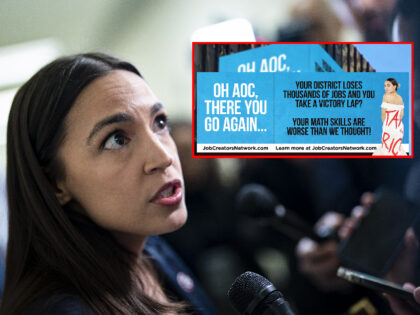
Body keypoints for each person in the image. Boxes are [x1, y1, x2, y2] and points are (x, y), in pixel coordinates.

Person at [0, 53, 216, 315]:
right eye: (116, 139)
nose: (165, 156)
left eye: (159, 122)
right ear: (54, 183)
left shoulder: (151, 249)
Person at [373, 78, 406, 156]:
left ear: (394, 86)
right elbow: (401, 115)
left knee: (386, 150)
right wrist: (396, 123)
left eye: (388, 85)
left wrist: (386, 125)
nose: (385, 88)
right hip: (399, 127)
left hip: (388, 126)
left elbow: (383, 114)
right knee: (396, 149)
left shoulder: (385, 96)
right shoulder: (400, 98)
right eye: (385, 86)